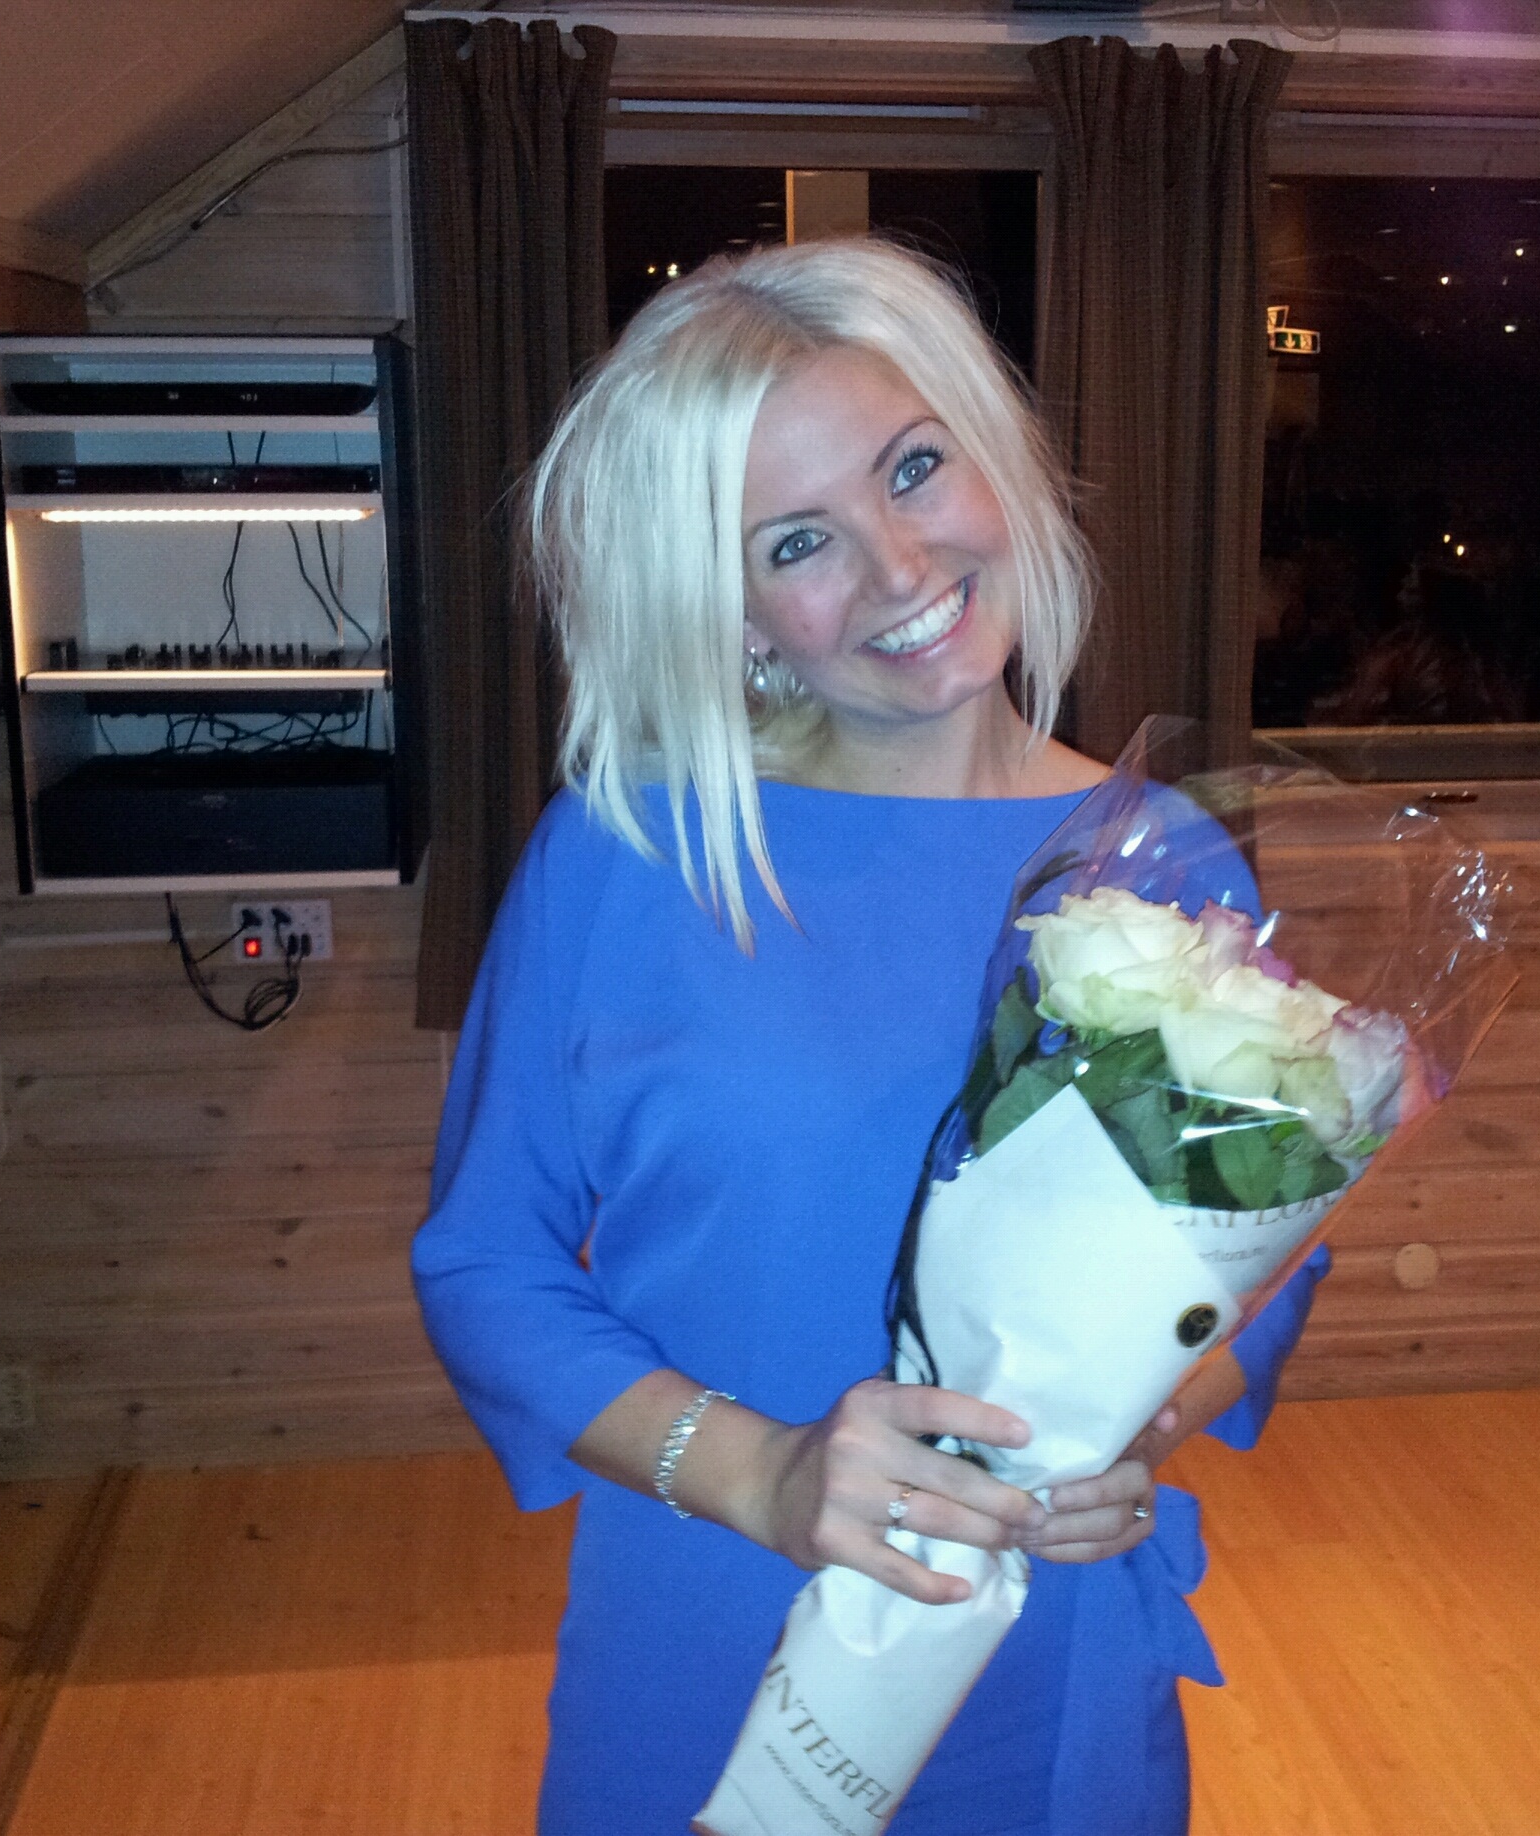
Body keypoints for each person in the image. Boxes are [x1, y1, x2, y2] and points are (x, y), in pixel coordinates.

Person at [412, 236, 1328, 1836]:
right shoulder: (633, 857)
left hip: (1052, 1644)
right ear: (736, 616)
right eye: (799, 542)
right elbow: (488, 1263)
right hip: (720, 1637)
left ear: (993, 456)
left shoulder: (1165, 860)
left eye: (914, 467)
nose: (901, 566)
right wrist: (761, 1471)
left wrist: (1155, 1420)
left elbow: (1267, 1243)